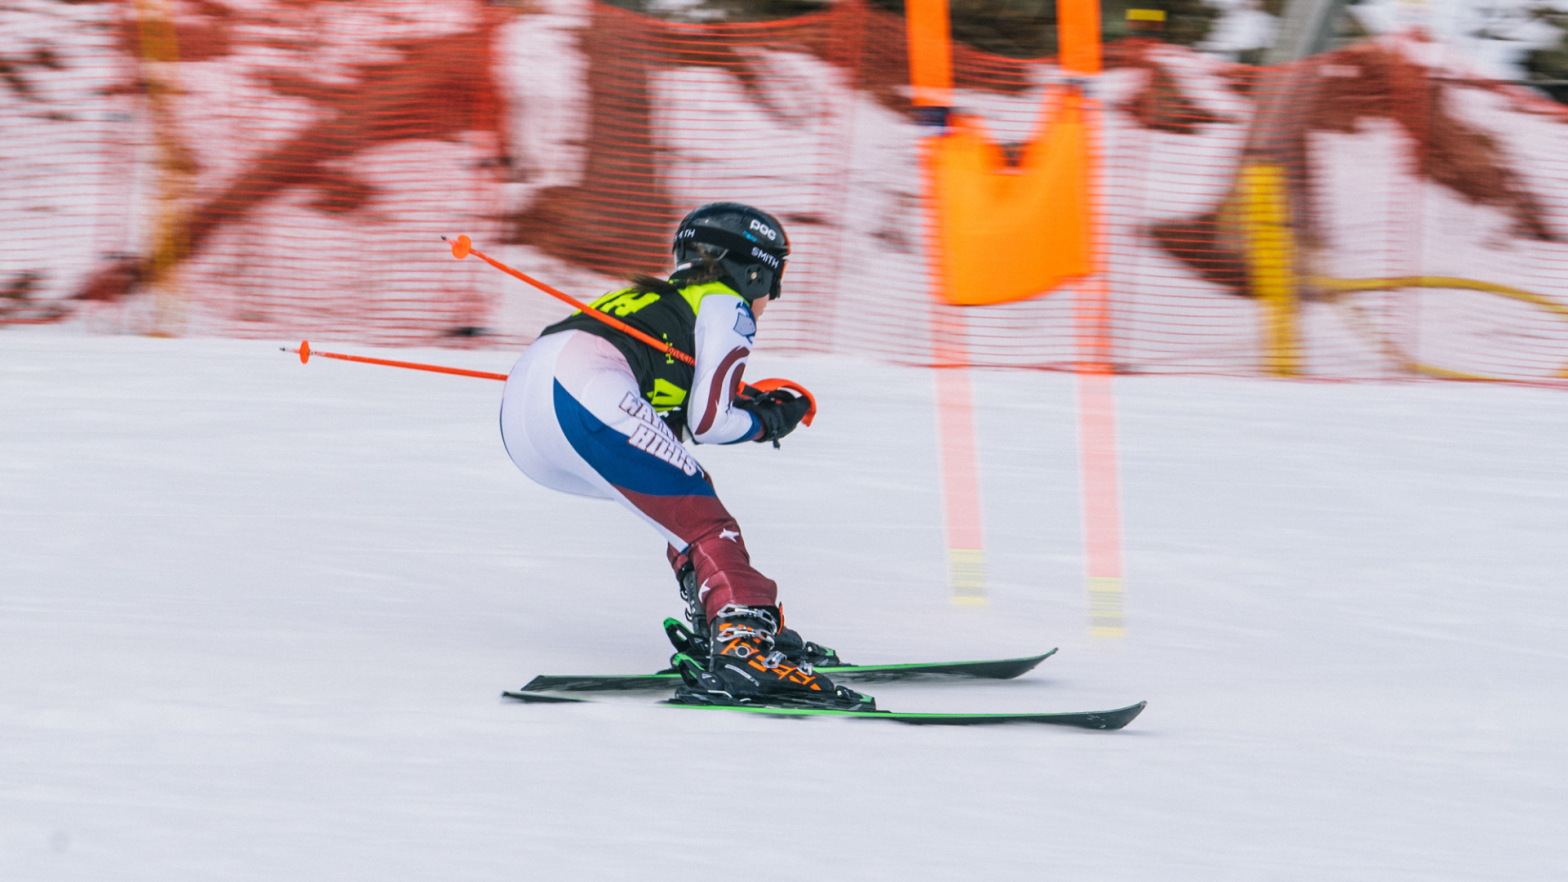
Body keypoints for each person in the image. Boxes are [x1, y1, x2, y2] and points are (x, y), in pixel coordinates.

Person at [498, 203, 866, 708]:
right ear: (756, 273)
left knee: (676, 502)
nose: (769, 300)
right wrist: (768, 422)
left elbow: (673, 413)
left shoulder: (658, 297)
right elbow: (709, 422)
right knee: (704, 518)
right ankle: (744, 647)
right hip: (582, 390)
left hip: (528, 414)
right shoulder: (726, 304)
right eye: (773, 284)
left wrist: (745, 400)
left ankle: (723, 622)